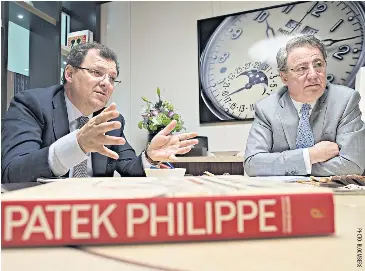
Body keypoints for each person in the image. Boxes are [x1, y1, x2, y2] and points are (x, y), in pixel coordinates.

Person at [1, 42, 198, 183]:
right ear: (69, 73)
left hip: (97, 214)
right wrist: (77, 145)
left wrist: (150, 157)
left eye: (112, 78)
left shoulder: (111, 121)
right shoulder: (31, 104)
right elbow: (12, 172)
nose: (106, 83)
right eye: (96, 73)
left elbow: (129, 168)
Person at [244, 35, 365, 177]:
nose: (313, 75)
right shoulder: (267, 109)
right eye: (302, 68)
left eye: (318, 64)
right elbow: (253, 164)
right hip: (285, 194)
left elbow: (353, 165)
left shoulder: (345, 100)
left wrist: (286, 166)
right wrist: (309, 156)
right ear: (284, 77)